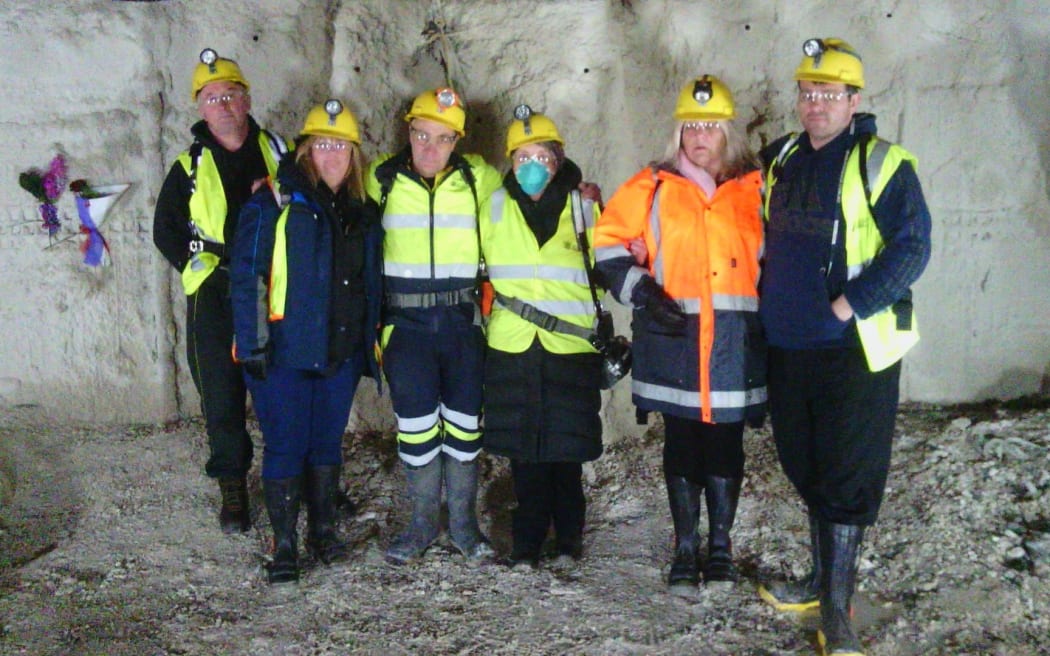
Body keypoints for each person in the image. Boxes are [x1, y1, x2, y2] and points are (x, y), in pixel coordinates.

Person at [755, 38, 931, 655]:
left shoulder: (883, 163)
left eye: (829, 94)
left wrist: (845, 306)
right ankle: (818, 581)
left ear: (854, 100)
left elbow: (913, 248)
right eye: (808, 93)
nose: (816, 104)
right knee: (803, 462)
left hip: (851, 348)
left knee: (846, 474)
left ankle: (837, 612)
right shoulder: (782, 159)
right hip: (789, 346)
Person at [593, 75, 766, 595]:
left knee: (726, 443)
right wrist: (643, 292)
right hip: (675, 341)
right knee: (682, 442)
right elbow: (607, 245)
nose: (699, 136)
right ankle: (686, 548)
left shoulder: (757, 189)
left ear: (728, 131)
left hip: (733, 344)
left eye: (710, 126)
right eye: (690, 125)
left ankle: (721, 549)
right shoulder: (652, 187)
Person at [229, 99, 382, 584]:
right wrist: (253, 345)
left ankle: (322, 531)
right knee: (285, 445)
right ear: (306, 151)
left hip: (339, 352)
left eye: (341, 145)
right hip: (284, 352)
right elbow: (247, 277)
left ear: (354, 154)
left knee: (326, 444)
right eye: (322, 145)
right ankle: (285, 545)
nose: (331, 154)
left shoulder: (363, 211)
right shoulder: (273, 203)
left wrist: (368, 345)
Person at [153, 48, 288, 534]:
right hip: (215, 291)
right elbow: (165, 230)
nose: (223, 105)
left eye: (230, 94)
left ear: (247, 99)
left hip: (271, 285)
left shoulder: (278, 151)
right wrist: (196, 269)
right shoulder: (187, 165)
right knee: (220, 391)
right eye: (212, 98)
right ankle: (233, 485)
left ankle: (294, 476)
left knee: (283, 385)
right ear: (200, 108)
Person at [366, 87, 503, 564]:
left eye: (444, 138)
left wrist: (580, 197)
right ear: (409, 131)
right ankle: (422, 524)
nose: (430, 147)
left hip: (462, 324)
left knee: (464, 429)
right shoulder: (380, 179)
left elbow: (522, 209)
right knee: (417, 429)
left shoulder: (478, 179)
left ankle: (464, 526)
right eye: (423, 135)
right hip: (405, 327)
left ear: (457, 141)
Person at [480, 106, 605, 568]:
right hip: (513, 345)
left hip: (570, 347)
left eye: (541, 157)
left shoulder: (585, 207)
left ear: (558, 159)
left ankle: (569, 539)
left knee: (566, 450)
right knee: (524, 453)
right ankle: (527, 541)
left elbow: (605, 271)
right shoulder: (493, 206)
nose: (531, 166)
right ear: (510, 161)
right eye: (522, 157)